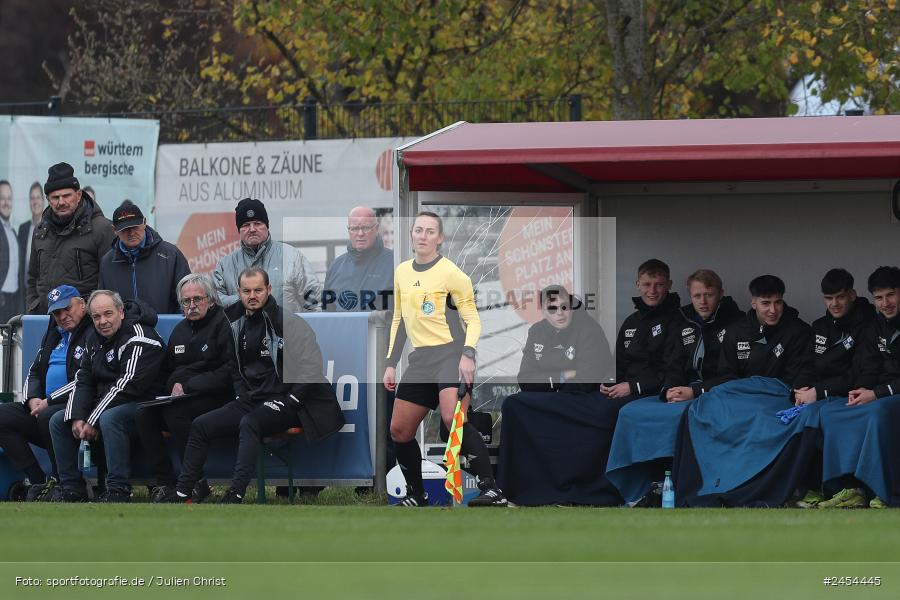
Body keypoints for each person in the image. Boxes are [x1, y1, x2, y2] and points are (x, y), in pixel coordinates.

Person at [168, 267, 344, 504]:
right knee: (201, 425)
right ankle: (182, 492)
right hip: (251, 399)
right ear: (239, 292)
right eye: (247, 291)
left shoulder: (288, 322)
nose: (252, 296)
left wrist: (292, 400)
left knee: (249, 423)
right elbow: (233, 366)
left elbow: (311, 367)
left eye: (258, 290)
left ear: (268, 290)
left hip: (287, 401)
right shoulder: (233, 321)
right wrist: (241, 395)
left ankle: (236, 493)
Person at [383, 211, 505, 507]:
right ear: (411, 234)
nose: (422, 236)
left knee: (452, 419)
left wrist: (468, 355)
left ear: (440, 238)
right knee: (399, 430)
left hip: (451, 353)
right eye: (418, 230)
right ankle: (416, 494)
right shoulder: (401, 272)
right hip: (420, 360)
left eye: (429, 231)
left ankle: (492, 489)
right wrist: (390, 362)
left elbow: (473, 320)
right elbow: (399, 319)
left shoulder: (452, 274)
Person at [671, 275, 815, 507]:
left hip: (777, 397)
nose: (772, 310)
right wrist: (696, 391)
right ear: (754, 303)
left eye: (777, 302)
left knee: (758, 417)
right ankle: (709, 484)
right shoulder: (737, 331)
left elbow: (798, 381)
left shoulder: (798, 331)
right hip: (739, 396)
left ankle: (749, 487)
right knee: (702, 409)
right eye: (765, 303)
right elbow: (726, 376)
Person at [607, 269, 742, 506]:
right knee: (631, 412)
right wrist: (669, 389)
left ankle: (689, 486)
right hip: (685, 392)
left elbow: (732, 375)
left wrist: (695, 391)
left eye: (709, 295)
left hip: (718, 394)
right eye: (697, 295)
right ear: (689, 294)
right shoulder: (683, 319)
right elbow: (673, 363)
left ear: (721, 294)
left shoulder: (737, 322)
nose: (702, 301)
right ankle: (638, 489)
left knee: (687, 416)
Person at [48, 292, 165, 502]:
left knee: (110, 418)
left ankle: (117, 489)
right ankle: (72, 488)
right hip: (109, 402)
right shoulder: (94, 337)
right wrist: (77, 416)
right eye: (96, 317)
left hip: (144, 404)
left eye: (108, 314)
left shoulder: (140, 336)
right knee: (59, 420)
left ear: (121, 312)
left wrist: (91, 419)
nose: (102, 322)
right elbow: (83, 379)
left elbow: (127, 385)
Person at [134, 274, 233, 503]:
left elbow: (228, 373)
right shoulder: (179, 329)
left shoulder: (223, 325)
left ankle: (195, 483)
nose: (192, 306)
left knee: (175, 413)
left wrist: (188, 385)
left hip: (218, 397)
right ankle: (164, 483)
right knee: (143, 413)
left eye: (197, 299)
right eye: (186, 301)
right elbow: (167, 371)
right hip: (182, 397)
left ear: (211, 299)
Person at [813, 266, 900, 508]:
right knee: (832, 412)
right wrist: (861, 391)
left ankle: (885, 492)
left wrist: (877, 394)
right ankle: (847, 489)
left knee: (877, 412)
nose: (885, 303)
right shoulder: (876, 326)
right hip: (880, 394)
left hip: (890, 396)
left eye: (891, 295)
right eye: (879, 297)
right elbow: (869, 367)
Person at [0, 286, 91, 501]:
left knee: (49, 416)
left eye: (67, 309)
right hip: (43, 407)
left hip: (75, 407)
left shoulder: (92, 333)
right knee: (3, 416)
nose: (62, 316)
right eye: (57, 313)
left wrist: (49, 401)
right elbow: (34, 371)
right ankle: (39, 480)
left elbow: (87, 379)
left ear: (82, 305)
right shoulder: (53, 335)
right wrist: (32, 399)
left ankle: (67, 482)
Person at [26, 162, 115, 314]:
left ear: (79, 195)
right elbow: (32, 278)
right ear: (48, 199)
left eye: (66, 195)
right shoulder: (40, 231)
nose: (61, 202)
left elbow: (111, 282)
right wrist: (34, 308)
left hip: (85, 325)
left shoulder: (102, 229)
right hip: (45, 319)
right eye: (55, 197)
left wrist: (92, 314)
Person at [213, 198, 321, 313]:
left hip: (286, 330)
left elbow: (315, 303)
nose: (252, 229)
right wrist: (246, 299)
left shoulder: (292, 257)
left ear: (267, 226)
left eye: (258, 223)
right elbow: (215, 303)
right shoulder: (225, 265)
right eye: (245, 225)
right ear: (239, 230)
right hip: (242, 331)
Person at [603, 259, 681, 401]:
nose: (652, 291)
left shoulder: (679, 320)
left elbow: (673, 370)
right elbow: (618, 363)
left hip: (651, 393)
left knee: (602, 412)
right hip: (623, 389)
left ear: (669, 285)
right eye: (646, 284)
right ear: (637, 284)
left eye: (659, 285)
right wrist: (608, 382)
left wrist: (633, 386)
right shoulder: (630, 321)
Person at [98, 200, 191, 314]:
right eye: (125, 229)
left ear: (144, 222)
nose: (131, 233)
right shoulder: (107, 262)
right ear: (115, 230)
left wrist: (176, 327)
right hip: (125, 330)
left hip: (165, 328)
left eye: (135, 227)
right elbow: (103, 304)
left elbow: (187, 298)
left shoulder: (171, 255)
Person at [517, 285, 613, 393]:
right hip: (551, 395)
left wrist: (548, 385)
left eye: (564, 306)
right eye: (552, 308)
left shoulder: (589, 329)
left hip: (584, 396)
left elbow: (586, 381)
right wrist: (563, 375)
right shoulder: (536, 331)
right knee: (511, 403)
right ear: (543, 312)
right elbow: (525, 379)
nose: (560, 313)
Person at [323, 206, 393, 312]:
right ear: (349, 230)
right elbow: (327, 315)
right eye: (355, 228)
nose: (360, 234)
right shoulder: (335, 267)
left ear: (377, 228)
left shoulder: (394, 263)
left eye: (365, 228)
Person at [18, 182, 45, 294]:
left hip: (43, 292)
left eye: (38, 197)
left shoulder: (51, 228)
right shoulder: (23, 229)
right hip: (24, 292)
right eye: (32, 198)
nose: (35, 202)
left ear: (43, 200)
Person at [0, 180, 21, 322]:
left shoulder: (12, 231)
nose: (6, 203)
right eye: (2, 198)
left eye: (9, 198)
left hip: (13, 299)